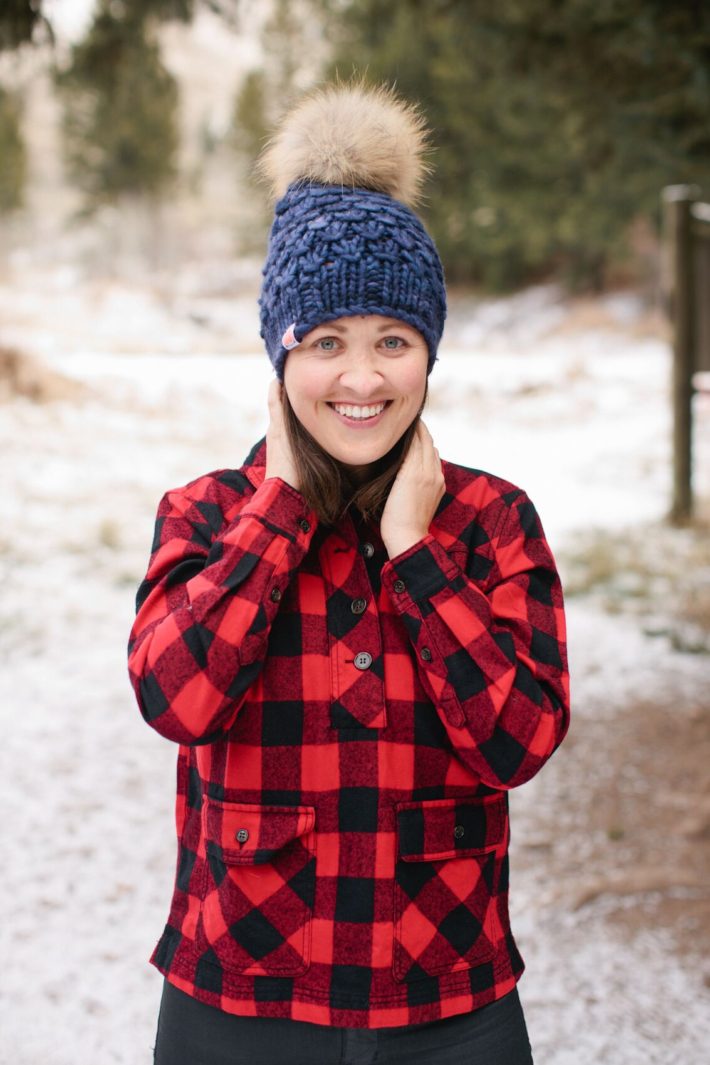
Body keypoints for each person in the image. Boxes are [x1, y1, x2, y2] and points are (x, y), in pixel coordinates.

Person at [128, 82, 570, 1065]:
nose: (362, 380)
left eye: (392, 343)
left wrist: (416, 554)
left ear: (428, 354)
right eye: (325, 343)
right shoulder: (203, 514)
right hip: (237, 1003)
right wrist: (276, 514)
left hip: (450, 1005)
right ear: (279, 357)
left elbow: (519, 743)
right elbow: (175, 700)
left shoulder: (491, 521)